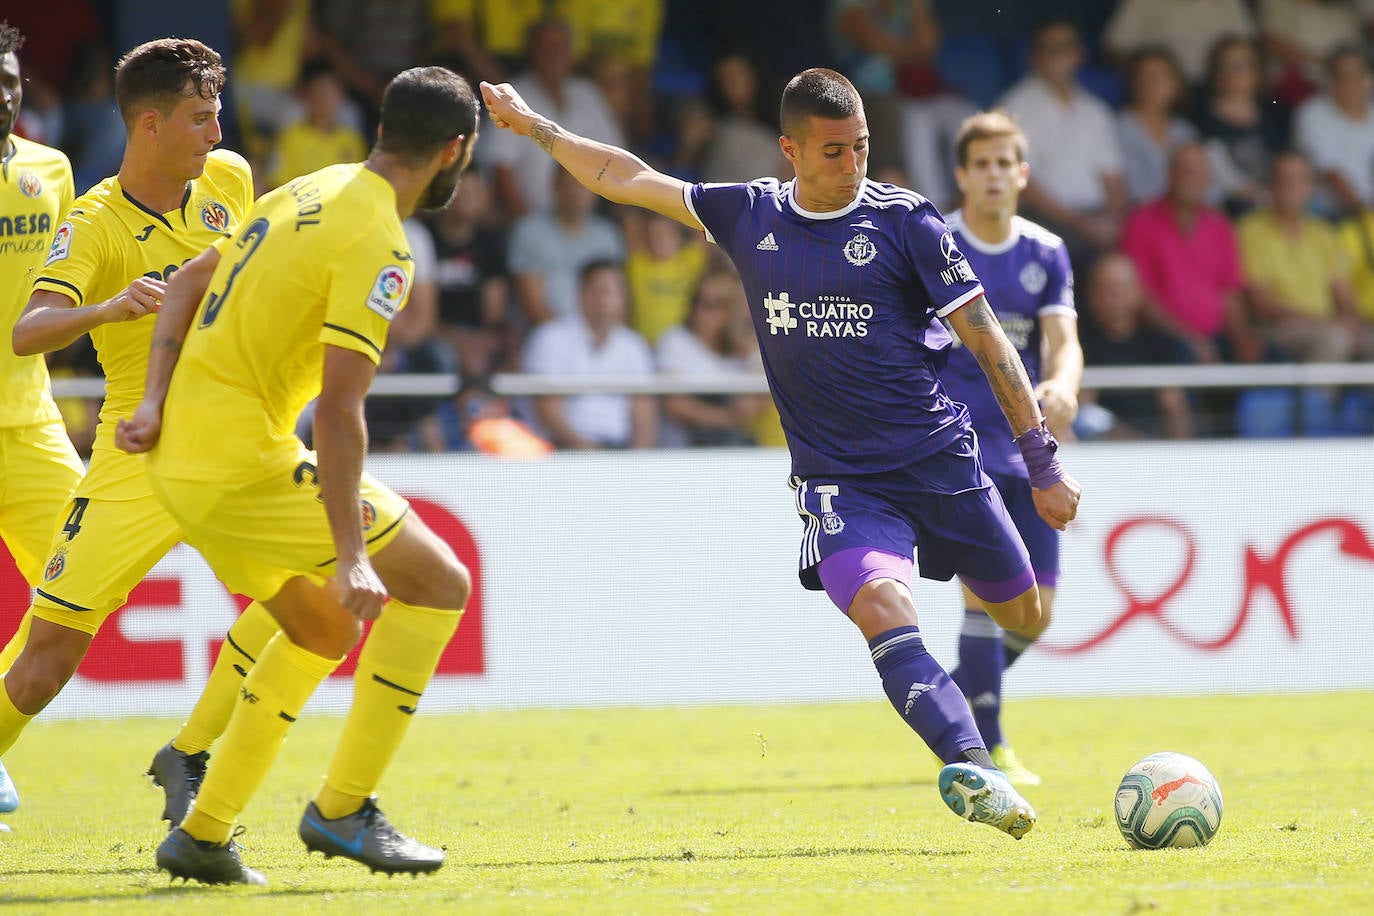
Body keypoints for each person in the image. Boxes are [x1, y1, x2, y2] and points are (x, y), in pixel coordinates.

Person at [482, 67, 1081, 838]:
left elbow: (991, 341)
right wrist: (538, 128)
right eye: (834, 151)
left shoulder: (908, 224)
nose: (853, 164)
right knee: (880, 607)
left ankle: (962, 703)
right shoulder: (749, 214)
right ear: (789, 150)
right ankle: (973, 764)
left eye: (862, 146)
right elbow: (630, 178)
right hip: (842, 481)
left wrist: (1042, 462)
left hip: (940, 460)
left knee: (1023, 610)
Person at [116, 65, 480, 884]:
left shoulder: (308, 188)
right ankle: (344, 810)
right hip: (243, 462)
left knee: (321, 630)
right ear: (455, 151)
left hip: (183, 461)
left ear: (383, 125)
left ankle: (201, 836)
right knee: (441, 580)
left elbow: (183, 284)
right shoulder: (382, 241)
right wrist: (352, 553)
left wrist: (152, 403)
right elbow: (344, 409)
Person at [0, 39, 284, 833]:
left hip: (233, 444)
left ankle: (190, 756)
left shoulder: (228, 183)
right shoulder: (92, 223)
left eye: (218, 114)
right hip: (137, 456)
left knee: (317, 597)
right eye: (200, 119)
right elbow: (29, 330)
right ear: (150, 125)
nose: (217, 135)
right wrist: (107, 307)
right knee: (47, 663)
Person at [937, 111, 1082, 787]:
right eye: (981, 164)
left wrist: (1063, 383)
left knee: (1037, 614)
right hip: (959, 442)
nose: (994, 175)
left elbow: (1062, 340)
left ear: (1022, 174)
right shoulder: (936, 242)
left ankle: (947, 697)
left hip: (1028, 444)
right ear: (962, 174)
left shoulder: (1045, 251)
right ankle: (987, 750)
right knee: (984, 598)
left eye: (1005, 164)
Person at [0, 21, 87, 821]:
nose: (4, 94)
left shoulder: (49, 170)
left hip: (28, 422)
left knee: (83, 588)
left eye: (12, 79)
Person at [997, 19, 1127, 270]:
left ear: (1078, 54)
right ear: (1035, 57)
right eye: (1050, 49)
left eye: (1066, 48)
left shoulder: (1095, 110)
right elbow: (1023, 184)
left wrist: (1113, 218)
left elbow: (1113, 179)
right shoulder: (1015, 106)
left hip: (1097, 217)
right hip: (1046, 219)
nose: (1059, 57)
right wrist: (1083, 224)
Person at [521, 260, 658, 450]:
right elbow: (547, 409)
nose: (604, 299)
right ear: (582, 294)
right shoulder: (550, 337)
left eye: (612, 291)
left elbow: (644, 413)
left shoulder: (633, 345)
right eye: (598, 290)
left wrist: (639, 462)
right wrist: (585, 450)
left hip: (620, 451)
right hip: (562, 452)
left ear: (623, 298)